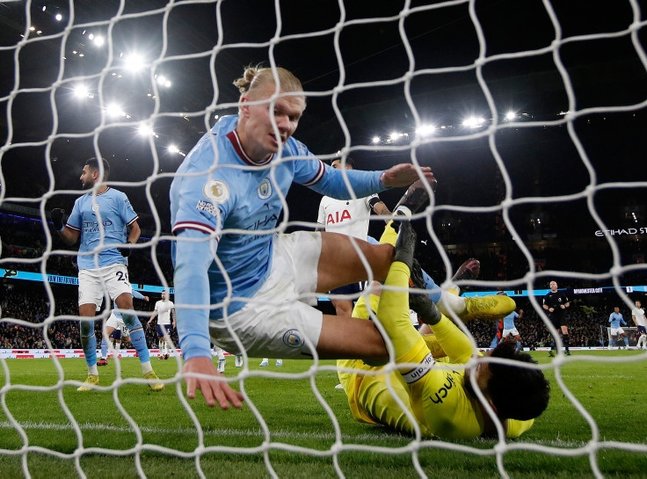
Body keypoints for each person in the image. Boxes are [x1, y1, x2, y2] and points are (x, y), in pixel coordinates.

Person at [169, 65, 511, 409]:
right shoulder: (208, 177)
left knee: (389, 257)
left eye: (293, 116)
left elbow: (331, 181)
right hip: (241, 308)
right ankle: (423, 368)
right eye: (275, 111)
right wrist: (196, 351)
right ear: (245, 106)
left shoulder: (285, 149)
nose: (285, 124)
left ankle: (452, 306)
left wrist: (383, 179)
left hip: (273, 256)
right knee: (384, 345)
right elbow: (190, 267)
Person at [336, 222, 550, 439]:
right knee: (441, 340)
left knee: (381, 284)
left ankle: (396, 220)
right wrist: (432, 314)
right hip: (421, 371)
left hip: (366, 371)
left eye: (478, 368)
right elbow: (467, 354)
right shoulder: (519, 408)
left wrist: (403, 259)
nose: (475, 361)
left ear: (491, 405)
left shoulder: (447, 409)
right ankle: (451, 294)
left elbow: (395, 324)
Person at [50, 157, 163, 392]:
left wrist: (129, 245)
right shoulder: (80, 202)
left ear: (95, 174)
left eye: (84, 172)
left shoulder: (118, 198)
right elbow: (71, 238)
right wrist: (59, 226)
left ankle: (148, 370)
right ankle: (92, 375)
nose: (80, 176)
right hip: (88, 267)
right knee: (86, 322)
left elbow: (135, 228)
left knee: (127, 311)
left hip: (114, 263)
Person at [317, 156, 392, 317]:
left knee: (365, 309)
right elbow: (320, 230)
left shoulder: (363, 191)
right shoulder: (325, 199)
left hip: (360, 258)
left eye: (335, 166)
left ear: (348, 168)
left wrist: (392, 220)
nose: (331, 170)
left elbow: (378, 206)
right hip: (335, 263)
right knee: (342, 309)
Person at [98, 288, 150, 365]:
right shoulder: (115, 287)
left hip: (124, 318)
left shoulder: (127, 289)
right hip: (114, 315)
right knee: (105, 334)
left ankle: (138, 348)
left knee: (127, 339)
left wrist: (143, 297)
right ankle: (103, 358)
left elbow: (135, 293)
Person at [542, 280, 571, 356]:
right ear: (550, 286)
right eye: (551, 284)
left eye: (554, 284)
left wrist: (564, 306)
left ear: (557, 285)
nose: (552, 285)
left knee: (565, 331)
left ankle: (567, 350)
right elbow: (544, 305)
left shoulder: (562, 294)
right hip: (553, 316)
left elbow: (567, 303)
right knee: (556, 334)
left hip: (562, 315)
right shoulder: (547, 296)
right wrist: (549, 308)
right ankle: (557, 350)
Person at [147, 290, 176, 359]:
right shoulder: (158, 303)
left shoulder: (170, 303)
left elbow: (173, 313)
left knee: (166, 338)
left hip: (167, 324)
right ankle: (161, 354)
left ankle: (166, 353)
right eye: (162, 294)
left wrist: (174, 321)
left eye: (164, 294)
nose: (163, 295)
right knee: (161, 339)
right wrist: (150, 320)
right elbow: (155, 312)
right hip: (159, 324)